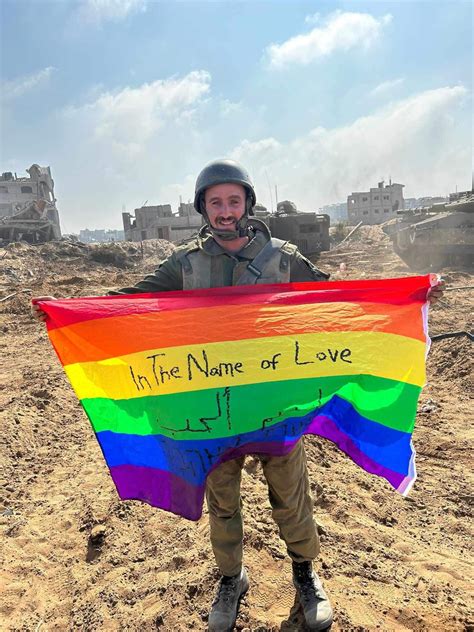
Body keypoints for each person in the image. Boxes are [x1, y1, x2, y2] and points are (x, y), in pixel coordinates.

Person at [32, 159, 445, 632]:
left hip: (279, 407)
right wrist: (70, 312)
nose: (225, 211)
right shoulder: (184, 264)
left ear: (247, 203)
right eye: (215, 203)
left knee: (291, 497)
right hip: (211, 409)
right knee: (223, 500)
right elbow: (132, 302)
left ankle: (305, 575)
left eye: (233, 201)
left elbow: (336, 302)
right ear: (203, 209)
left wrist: (404, 299)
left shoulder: (284, 258)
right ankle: (232, 578)